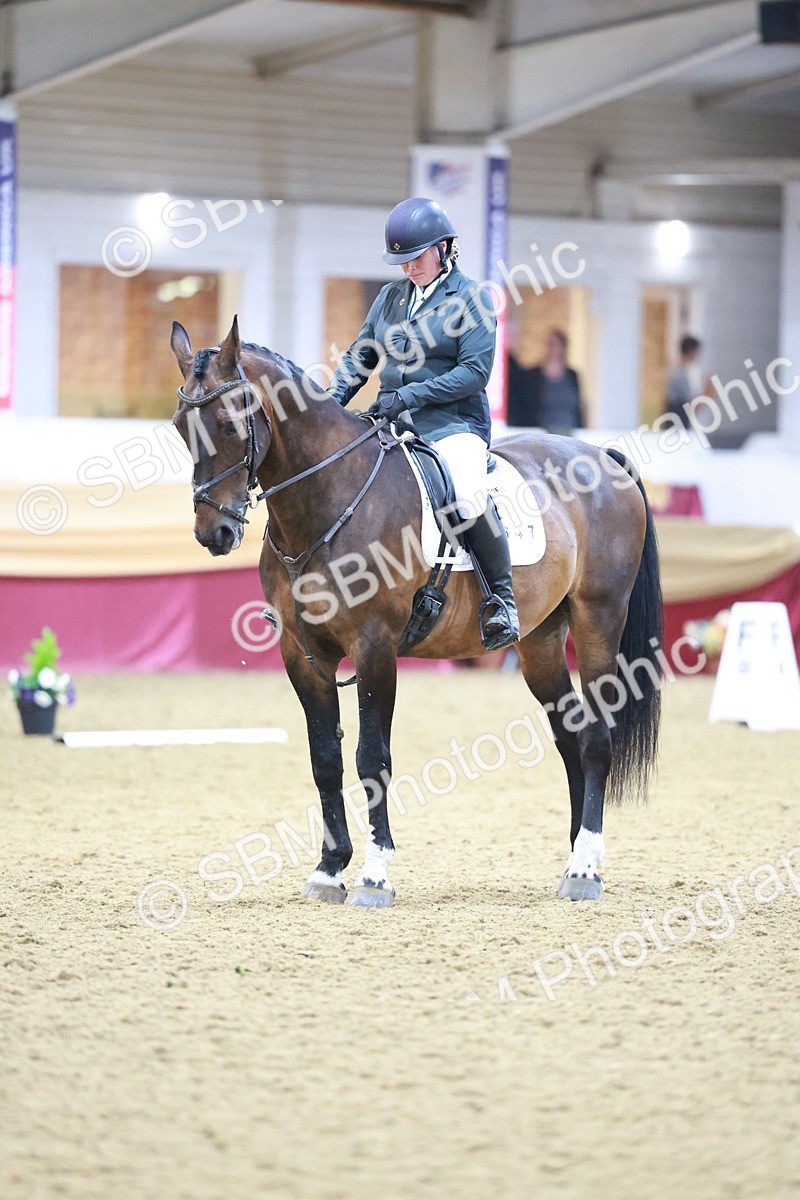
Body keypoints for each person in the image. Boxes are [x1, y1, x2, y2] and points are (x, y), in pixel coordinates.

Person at [327, 196, 519, 651]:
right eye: (402, 260)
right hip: (391, 421)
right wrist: (329, 407)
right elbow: (361, 356)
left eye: (416, 257)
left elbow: (474, 372)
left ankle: (502, 601)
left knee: (468, 497)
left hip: (451, 425)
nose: (409, 267)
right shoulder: (391, 298)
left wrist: (409, 396)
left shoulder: (472, 298)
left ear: (444, 248)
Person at [507, 327, 583, 434]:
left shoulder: (572, 376)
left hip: (571, 431)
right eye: (550, 344)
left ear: (563, 347)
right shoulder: (533, 376)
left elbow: (579, 407)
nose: (552, 348)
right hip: (541, 432)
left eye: (556, 344)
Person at [665, 335, 705, 427]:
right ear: (691, 351)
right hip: (677, 415)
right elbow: (687, 398)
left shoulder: (681, 370)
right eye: (696, 352)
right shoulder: (678, 373)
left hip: (678, 414)